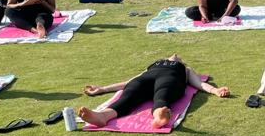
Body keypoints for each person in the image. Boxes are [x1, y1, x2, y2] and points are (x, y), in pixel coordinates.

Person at [78, 54, 230, 129]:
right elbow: (131, 80)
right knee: (129, 95)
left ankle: (159, 117)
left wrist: (215, 90)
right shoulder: (153, 65)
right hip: (145, 79)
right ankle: (102, 116)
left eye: (178, 57)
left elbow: (199, 83)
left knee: (162, 97)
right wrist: (103, 89)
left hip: (169, 79)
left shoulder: (185, 68)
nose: (175, 54)